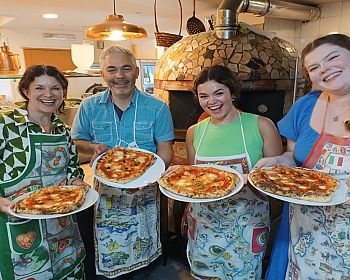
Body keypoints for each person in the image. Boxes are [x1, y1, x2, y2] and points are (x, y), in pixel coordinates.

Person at [71, 45, 174, 279]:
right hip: (105, 189)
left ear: (136, 72)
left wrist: (155, 175)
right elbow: (76, 142)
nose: (120, 76)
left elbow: (165, 150)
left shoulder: (157, 107)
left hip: (146, 188)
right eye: (112, 70)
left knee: (144, 247)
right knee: (110, 247)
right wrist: (93, 148)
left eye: (126, 69)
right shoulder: (88, 106)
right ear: (103, 75)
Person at [256, 34, 350, 280]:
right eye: (314, 67)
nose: (325, 70)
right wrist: (277, 162)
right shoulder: (304, 106)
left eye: (332, 58)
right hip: (303, 228)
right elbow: (293, 157)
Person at [184, 64, 283, 279]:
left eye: (219, 93)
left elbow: (277, 179)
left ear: (233, 93)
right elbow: (193, 181)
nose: (212, 101)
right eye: (204, 96)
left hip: (247, 225)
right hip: (205, 224)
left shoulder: (261, 125)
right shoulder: (194, 132)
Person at [0, 65, 88, 280]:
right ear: (26, 91)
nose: (48, 95)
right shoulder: (6, 125)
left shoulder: (62, 129)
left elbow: (73, 168)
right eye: (39, 88)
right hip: (19, 224)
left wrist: (77, 182)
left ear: (63, 93)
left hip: (61, 223)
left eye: (56, 88)